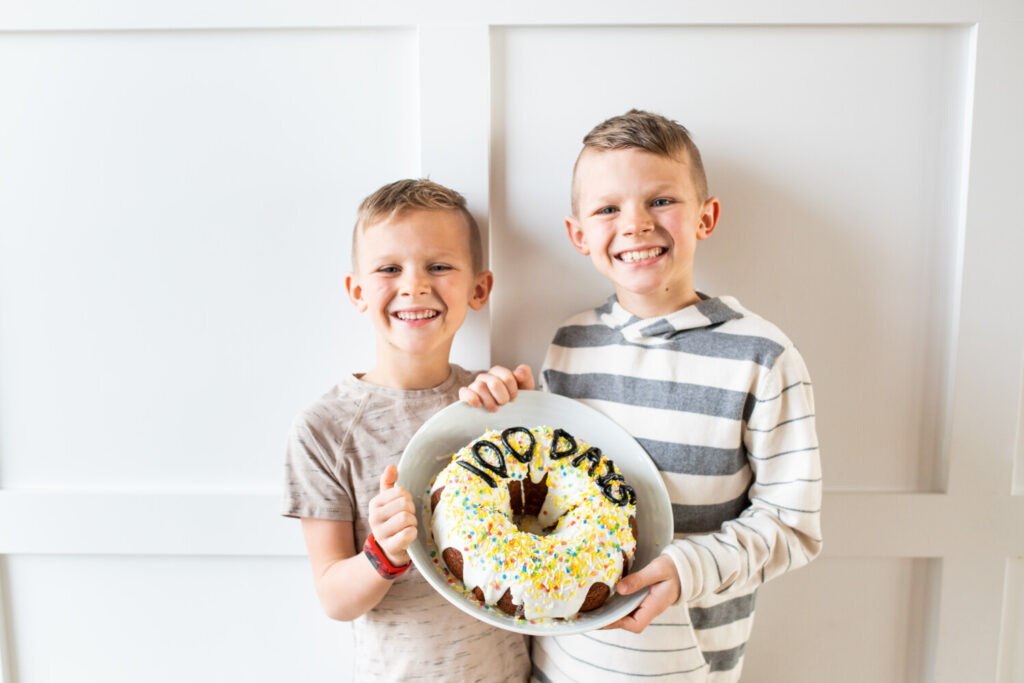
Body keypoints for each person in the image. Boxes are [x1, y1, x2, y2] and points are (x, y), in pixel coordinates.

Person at [460, 110, 823, 682]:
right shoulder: (570, 343)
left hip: (688, 667)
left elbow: (793, 526)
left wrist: (689, 566)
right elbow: (548, 484)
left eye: (660, 201)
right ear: (578, 234)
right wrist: (514, 416)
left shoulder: (763, 357)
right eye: (608, 208)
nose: (634, 225)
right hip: (560, 663)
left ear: (706, 217)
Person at [282, 179, 532, 682]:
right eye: (389, 268)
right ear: (357, 291)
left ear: (479, 289)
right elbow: (334, 596)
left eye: (439, 266)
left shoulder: (495, 404)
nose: (415, 285)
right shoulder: (324, 429)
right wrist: (382, 552)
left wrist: (527, 415)